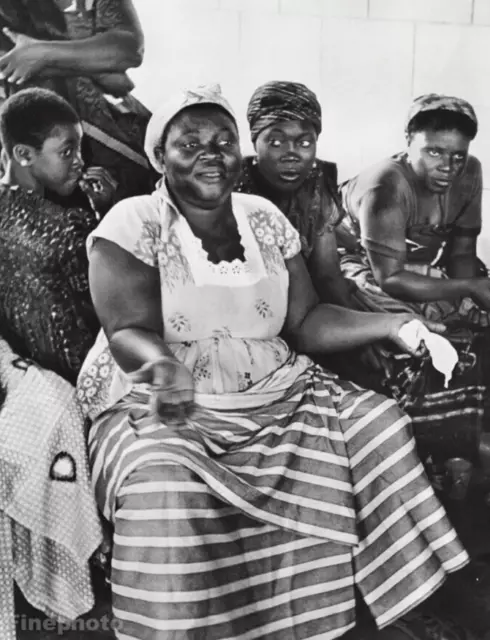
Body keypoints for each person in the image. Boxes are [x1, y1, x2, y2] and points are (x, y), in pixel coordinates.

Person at [77, 84, 471, 640]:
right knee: (160, 479)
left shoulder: (262, 218)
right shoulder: (134, 221)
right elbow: (128, 330)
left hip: (277, 388)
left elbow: (306, 321)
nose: (211, 153)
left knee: (377, 425)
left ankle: (316, 619)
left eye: (223, 141)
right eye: (190, 143)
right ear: (158, 156)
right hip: (167, 393)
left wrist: (396, 325)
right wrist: (162, 367)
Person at [338, 94, 490, 463]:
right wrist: (468, 290)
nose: (449, 166)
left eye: (457, 155)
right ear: (408, 140)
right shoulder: (385, 185)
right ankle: (438, 446)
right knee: (414, 330)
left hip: (425, 267)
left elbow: (462, 254)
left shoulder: (470, 171)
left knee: (474, 323)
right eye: (435, 152)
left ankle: (471, 433)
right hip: (364, 267)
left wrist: (470, 300)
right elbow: (390, 279)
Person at [236, 80, 387, 385]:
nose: (292, 154)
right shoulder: (233, 188)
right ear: (255, 142)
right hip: (248, 318)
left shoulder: (316, 183)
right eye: (276, 142)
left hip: (311, 310)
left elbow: (328, 274)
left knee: (371, 369)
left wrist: (360, 336)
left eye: (304, 142)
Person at [0, 87, 117, 383]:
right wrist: (107, 215)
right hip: (72, 378)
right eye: (67, 152)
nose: (79, 161)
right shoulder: (65, 227)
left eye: (80, 150)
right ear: (24, 154)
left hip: (17, 374)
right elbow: (112, 292)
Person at [0, 0, 157, 201]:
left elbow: (127, 49)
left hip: (120, 138)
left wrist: (43, 53)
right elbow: (9, 61)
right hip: (35, 151)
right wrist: (100, 69)